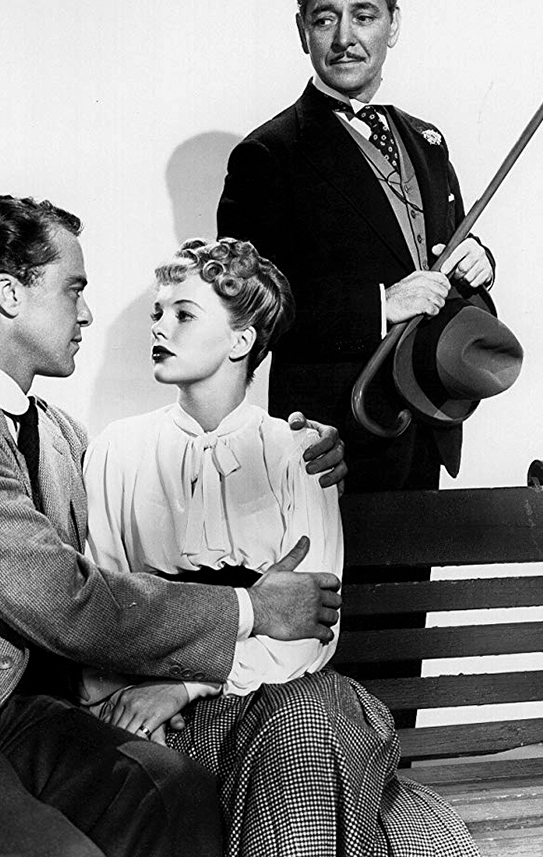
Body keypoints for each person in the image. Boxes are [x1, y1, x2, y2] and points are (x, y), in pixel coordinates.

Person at [0, 196, 347, 857]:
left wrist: (302, 455)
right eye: (73, 289)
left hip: (0, 710)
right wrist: (252, 609)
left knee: (174, 793)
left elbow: (130, 552)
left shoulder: (58, 434)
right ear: (9, 294)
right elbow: (69, 600)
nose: (89, 313)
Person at [82, 238, 479, 857]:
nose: (159, 327)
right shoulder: (117, 450)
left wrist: (185, 685)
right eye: (158, 313)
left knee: (303, 718)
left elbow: (310, 634)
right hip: (177, 720)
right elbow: (106, 610)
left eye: (183, 314)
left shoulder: (300, 452)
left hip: (287, 693)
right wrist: (140, 702)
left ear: (241, 341)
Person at [217, 0, 495, 493]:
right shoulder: (267, 155)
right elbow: (249, 309)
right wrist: (381, 306)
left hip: (429, 422)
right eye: (326, 19)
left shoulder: (427, 141)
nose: (345, 37)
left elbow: (436, 253)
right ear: (303, 31)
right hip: (332, 442)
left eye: (364, 16)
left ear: (393, 25)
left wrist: (478, 262)